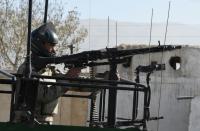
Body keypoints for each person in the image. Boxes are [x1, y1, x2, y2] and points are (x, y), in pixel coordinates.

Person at [13, 22, 81, 124]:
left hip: (44, 122)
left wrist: (101, 83)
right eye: (51, 45)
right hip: (28, 122)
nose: (54, 50)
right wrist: (68, 79)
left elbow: (72, 83)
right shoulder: (27, 69)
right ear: (40, 45)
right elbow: (44, 96)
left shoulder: (49, 69)